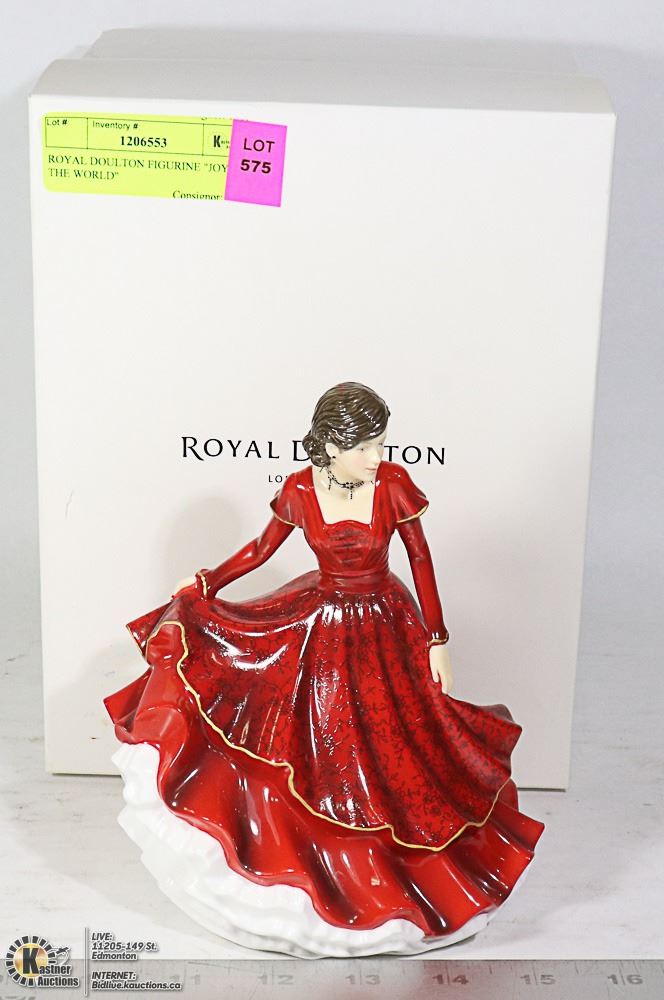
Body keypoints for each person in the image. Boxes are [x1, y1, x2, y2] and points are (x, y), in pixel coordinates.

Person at [104, 381, 544, 958]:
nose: (377, 457)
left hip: (385, 621)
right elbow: (261, 550)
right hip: (322, 621)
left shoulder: (391, 485)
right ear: (332, 445)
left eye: (381, 444)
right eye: (365, 447)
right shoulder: (300, 489)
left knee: (399, 746)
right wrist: (208, 582)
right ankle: (318, 858)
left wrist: (437, 640)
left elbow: (420, 559)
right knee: (322, 740)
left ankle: (403, 865)